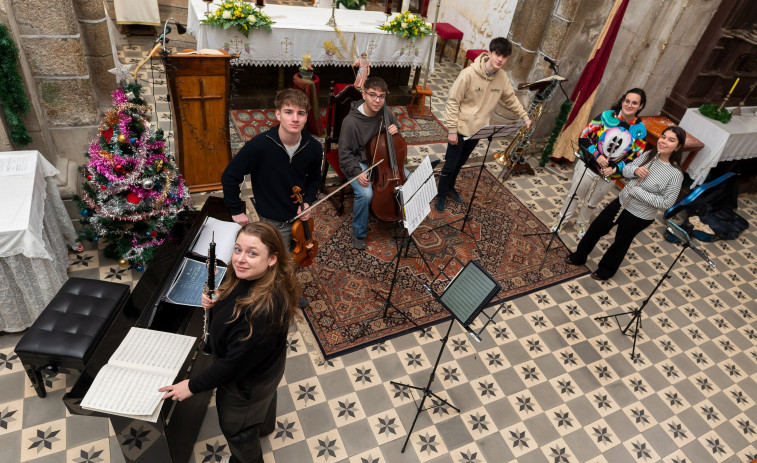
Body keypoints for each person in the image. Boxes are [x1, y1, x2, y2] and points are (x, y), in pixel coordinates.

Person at [159, 222, 301, 463]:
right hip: (268, 369)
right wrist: (218, 301)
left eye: (252, 253)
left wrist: (192, 386)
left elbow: (232, 365)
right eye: (238, 249)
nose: (240, 260)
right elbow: (236, 301)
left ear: (272, 259)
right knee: (264, 401)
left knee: (237, 430)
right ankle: (264, 426)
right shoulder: (264, 279)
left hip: (246, 385)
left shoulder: (260, 314)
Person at [565, 126, 686, 281]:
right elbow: (626, 170)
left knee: (621, 242)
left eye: (671, 140)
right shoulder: (650, 154)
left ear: (678, 147)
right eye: (663, 137)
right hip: (621, 202)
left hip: (640, 216)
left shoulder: (675, 174)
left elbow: (666, 203)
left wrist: (637, 192)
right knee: (597, 227)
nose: (664, 141)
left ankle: (606, 270)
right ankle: (579, 256)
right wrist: (635, 171)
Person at [435, 37, 531, 212]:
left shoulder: (502, 78)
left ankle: (450, 187)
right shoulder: (468, 74)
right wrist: (452, 130)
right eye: (497, 54)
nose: (500, 59)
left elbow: (510, 99)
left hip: (478, 130)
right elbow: (452, 102)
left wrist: (524, 116)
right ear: (490, 53)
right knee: (450, 164)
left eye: (504, 57)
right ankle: (440, 194)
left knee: (460, 163)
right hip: (459, 129)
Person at [221, 89, 322, 249]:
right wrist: (235, 209)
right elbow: (229, 176)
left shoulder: (314, 147)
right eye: (288, 112)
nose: (295, 119)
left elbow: (315, 179)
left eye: (301, 113)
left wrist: (308, 201)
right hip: (273, 220)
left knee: (297, 254)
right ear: (278, 114)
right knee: (278, 263)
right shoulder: (259, 146)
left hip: (300, 216)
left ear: (306, 117)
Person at [552, 88, 648, 238]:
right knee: (575, 195)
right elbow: (584, 137)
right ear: (622, 101)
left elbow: (634, 157)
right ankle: (561, 220)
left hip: (610, 174)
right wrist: (597, 155)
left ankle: (581, 224)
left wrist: (615, 168)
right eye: (627, 101)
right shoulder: (607, 117)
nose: (629, 105)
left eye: (634, 103)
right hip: (588, 165)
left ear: (641, 106)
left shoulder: (640, 130)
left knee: (592, 202)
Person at [338, 76, 402, 250]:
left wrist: (397, 131)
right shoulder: (350, 122)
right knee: (365, 194)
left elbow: (397, 142)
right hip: (358, 162)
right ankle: (359, 232)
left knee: (408, 181)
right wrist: (357, 171)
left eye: (381, 96)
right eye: (373, 95)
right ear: (364, 94)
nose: (377, 100)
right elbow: (344, 155)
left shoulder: (386, 113)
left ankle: (401, 217)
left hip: (382, 161)